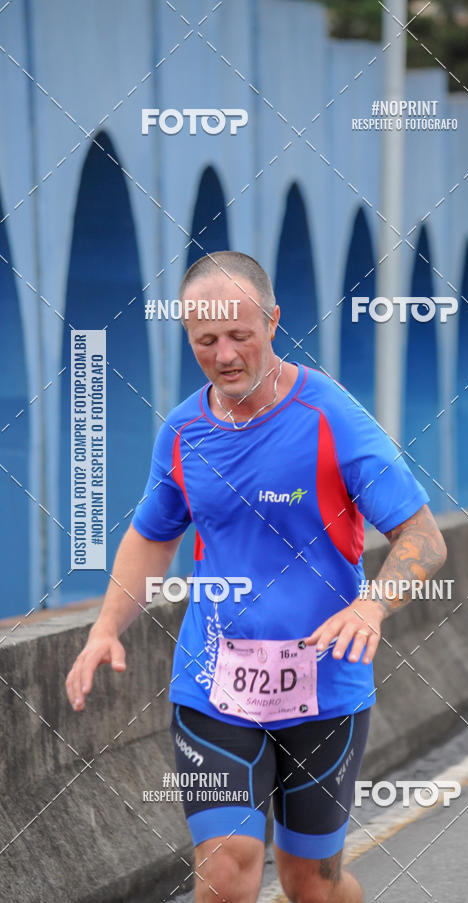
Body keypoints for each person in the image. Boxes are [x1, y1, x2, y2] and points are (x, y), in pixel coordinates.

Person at [66, 251, 447, 903]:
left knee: (311, 884)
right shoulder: (183, 430)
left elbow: (424, 538)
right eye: (205, 340)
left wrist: (372, 605)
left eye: (240, 335)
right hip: (214, 685)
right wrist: (106, 627)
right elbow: (152, 537)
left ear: (272, 322)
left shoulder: (331, 416)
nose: (224, 355)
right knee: (226, 868)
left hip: (325, 685)